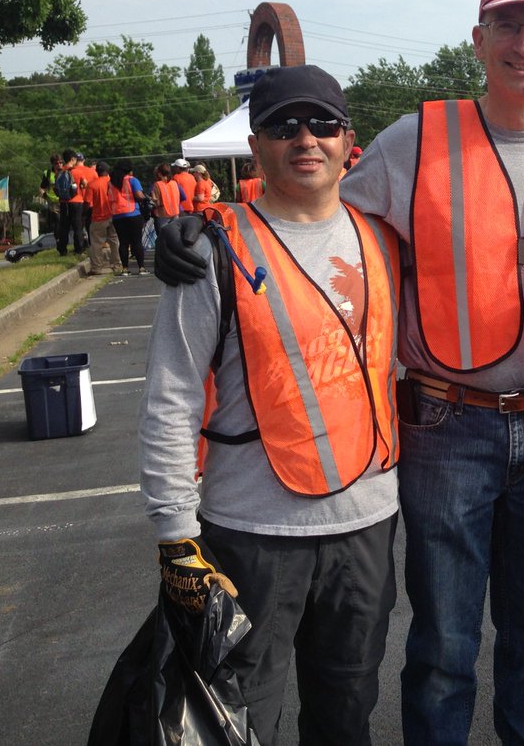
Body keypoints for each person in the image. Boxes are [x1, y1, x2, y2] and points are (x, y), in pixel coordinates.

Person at [156, 0, 524, 745]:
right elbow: (309, 211)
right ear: (478, 43)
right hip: (448, 424)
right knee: (443, 641)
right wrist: (201, 223)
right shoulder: (417, 141)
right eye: (506, 26)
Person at [138, 64, 401, 745]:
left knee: (347, 714)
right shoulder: (210, 251)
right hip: (253, 538)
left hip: (365, 527)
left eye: (322, 124)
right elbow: (170, 394)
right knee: (245, 721)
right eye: (283, 127)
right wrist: (175, 536)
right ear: (255, 146)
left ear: (350, 142)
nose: (304, 139)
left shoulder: (383, 236)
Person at [109, 159, 149, 275]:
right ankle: (141, 267)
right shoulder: (132, 180)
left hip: (117, 214)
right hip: (132, 213)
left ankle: (125, 268)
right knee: (137, 242)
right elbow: (139, 195)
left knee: (123, 243)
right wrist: (146, 198)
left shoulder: (111, 182)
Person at [83, 160, 122, 276]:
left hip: (98, 217)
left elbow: (86, 203)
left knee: (96, 243)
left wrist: (83, 214)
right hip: (114, 216)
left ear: (97, 171)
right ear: (107, 171)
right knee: (114, 241)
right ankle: (116, 264)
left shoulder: (92, 185)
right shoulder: (113, 183)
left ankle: (97, 268)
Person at [55, 149, 87, 256]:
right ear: (72, 159)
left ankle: (62, 250)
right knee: (77, 226)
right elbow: (85, 184)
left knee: (64, 227)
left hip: (64, 202)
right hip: (76, 202)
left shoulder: (59, 172)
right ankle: (79, 249)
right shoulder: (78, 172)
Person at [150, 162, 186, 239]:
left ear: (159, 174)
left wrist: (152, 198)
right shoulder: (174, 183)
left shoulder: (157, 184)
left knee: (163, 237)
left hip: (163, 213)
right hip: (175, 212)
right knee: (175, 235)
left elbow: (157, 202)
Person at [37, 153, 62, 233]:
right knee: (57, 222)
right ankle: (58, 239)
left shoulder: (66, 172)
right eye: (56, 163)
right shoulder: (47, 173)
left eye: (61, 162)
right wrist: (44, 196)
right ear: (53, 164)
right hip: (53, 204)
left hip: (65, 201)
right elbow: (41, 188)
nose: (59, 165)